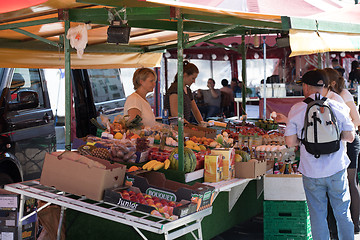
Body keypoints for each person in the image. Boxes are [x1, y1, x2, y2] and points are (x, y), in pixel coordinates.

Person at [279, 69, 355, 240]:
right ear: (324, 87)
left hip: (311, 171)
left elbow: (290, 142)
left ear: (306, 87)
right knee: (342, 212)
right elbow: (350, 137)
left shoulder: (297, 109)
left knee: (317, 215)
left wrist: (303, 141)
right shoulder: (338, 106)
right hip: (337, 169)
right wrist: (334, 139)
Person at [326, 67, 360, 234]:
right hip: (337, 143)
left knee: (350, 182)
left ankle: (354, 224)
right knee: (340, 184)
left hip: (350, 142)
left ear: (331, 82)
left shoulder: (343, 94)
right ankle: (340, 226)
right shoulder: (327, 96)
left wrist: (342, 131)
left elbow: (356, 120)